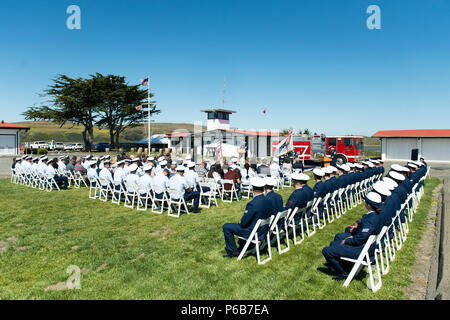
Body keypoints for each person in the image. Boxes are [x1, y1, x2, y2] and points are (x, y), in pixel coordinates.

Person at [322, 192, 384, 281]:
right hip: (366, 246)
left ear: (369, 205)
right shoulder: (376, 215)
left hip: (361, 250)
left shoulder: (370, 220)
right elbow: (362, 234)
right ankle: (340, 265)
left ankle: (342, 272)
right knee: (336, 240)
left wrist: (347, 241)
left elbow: (359, 239)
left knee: (326, 250)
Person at [222, 177, 273, 258]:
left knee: (226, 226)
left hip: (253, 232)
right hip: (263, 230)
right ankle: (242, 246)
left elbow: (243, 223)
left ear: (253, 188)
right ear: (263, 188)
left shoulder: (252, 203)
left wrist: (241, 221)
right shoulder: (268, 200)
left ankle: (233, 251)